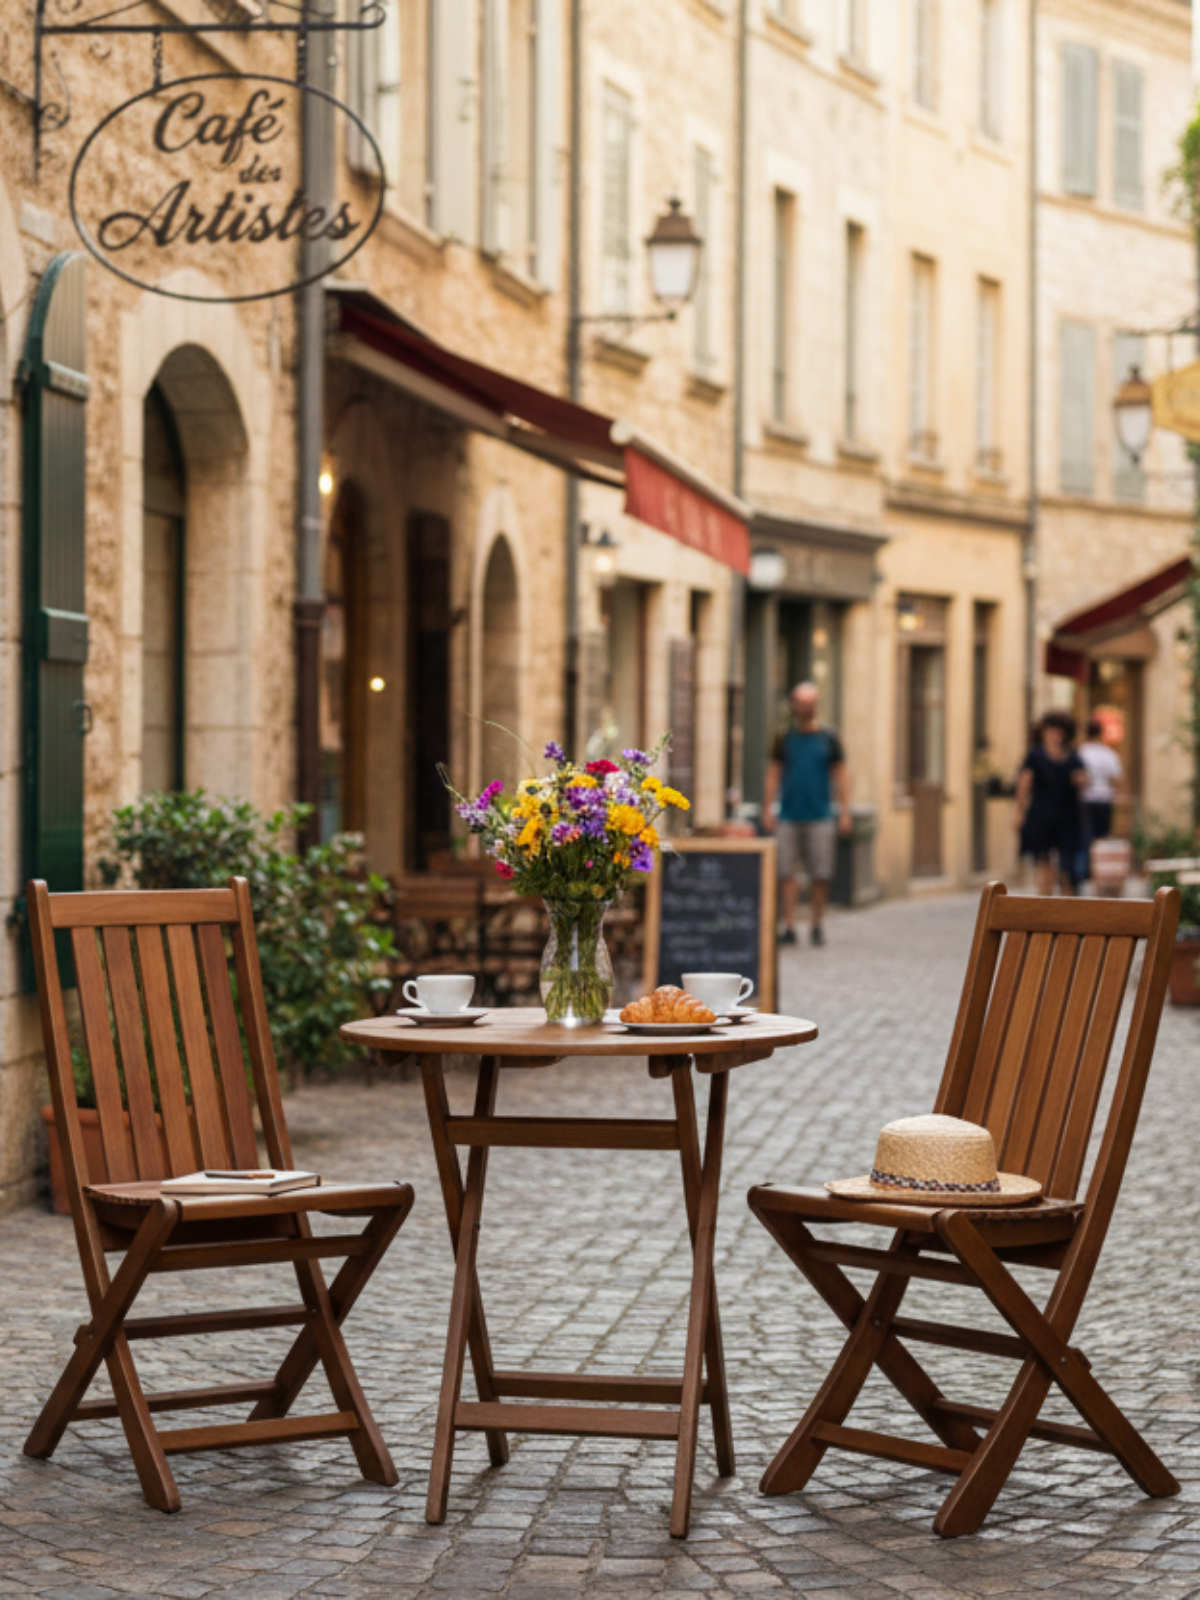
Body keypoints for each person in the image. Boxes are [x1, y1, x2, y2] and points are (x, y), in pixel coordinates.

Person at [764, 682, 851, 946]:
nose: (805, 709)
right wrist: (768, 807)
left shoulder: (829, 738)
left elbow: (841, 775)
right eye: (801, 704)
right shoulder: (784, 737)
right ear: (794, 705)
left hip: (820, 814)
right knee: (786, 873)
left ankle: (817, 923)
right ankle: (789, 926)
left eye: (809, 704)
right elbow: (774, 773)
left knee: (820, 874)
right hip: (788, 815)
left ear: (816, 706)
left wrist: (844, 811)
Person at [1014, 710, 1086, 895]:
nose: (1054, 735)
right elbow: (1024, 784)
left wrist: (1080, 780)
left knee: (1067, 866)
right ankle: (1045, 901)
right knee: (1043, 862)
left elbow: (1083, 779)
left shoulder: (1072, 755)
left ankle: (1067, 903)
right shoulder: (1035, 755)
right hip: (1041, 815)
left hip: (1067, 816)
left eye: (1058, 731)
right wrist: (1019, 812)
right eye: (1050, 731)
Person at [1078, 716, 1124, 852]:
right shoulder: (1108, 754)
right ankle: (1100, 860)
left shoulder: (1081, 752)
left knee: (1086, 835)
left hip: (1085, 798)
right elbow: (1116, 778)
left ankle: (1086, 863)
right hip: (1104, 797)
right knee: (1102, 835)